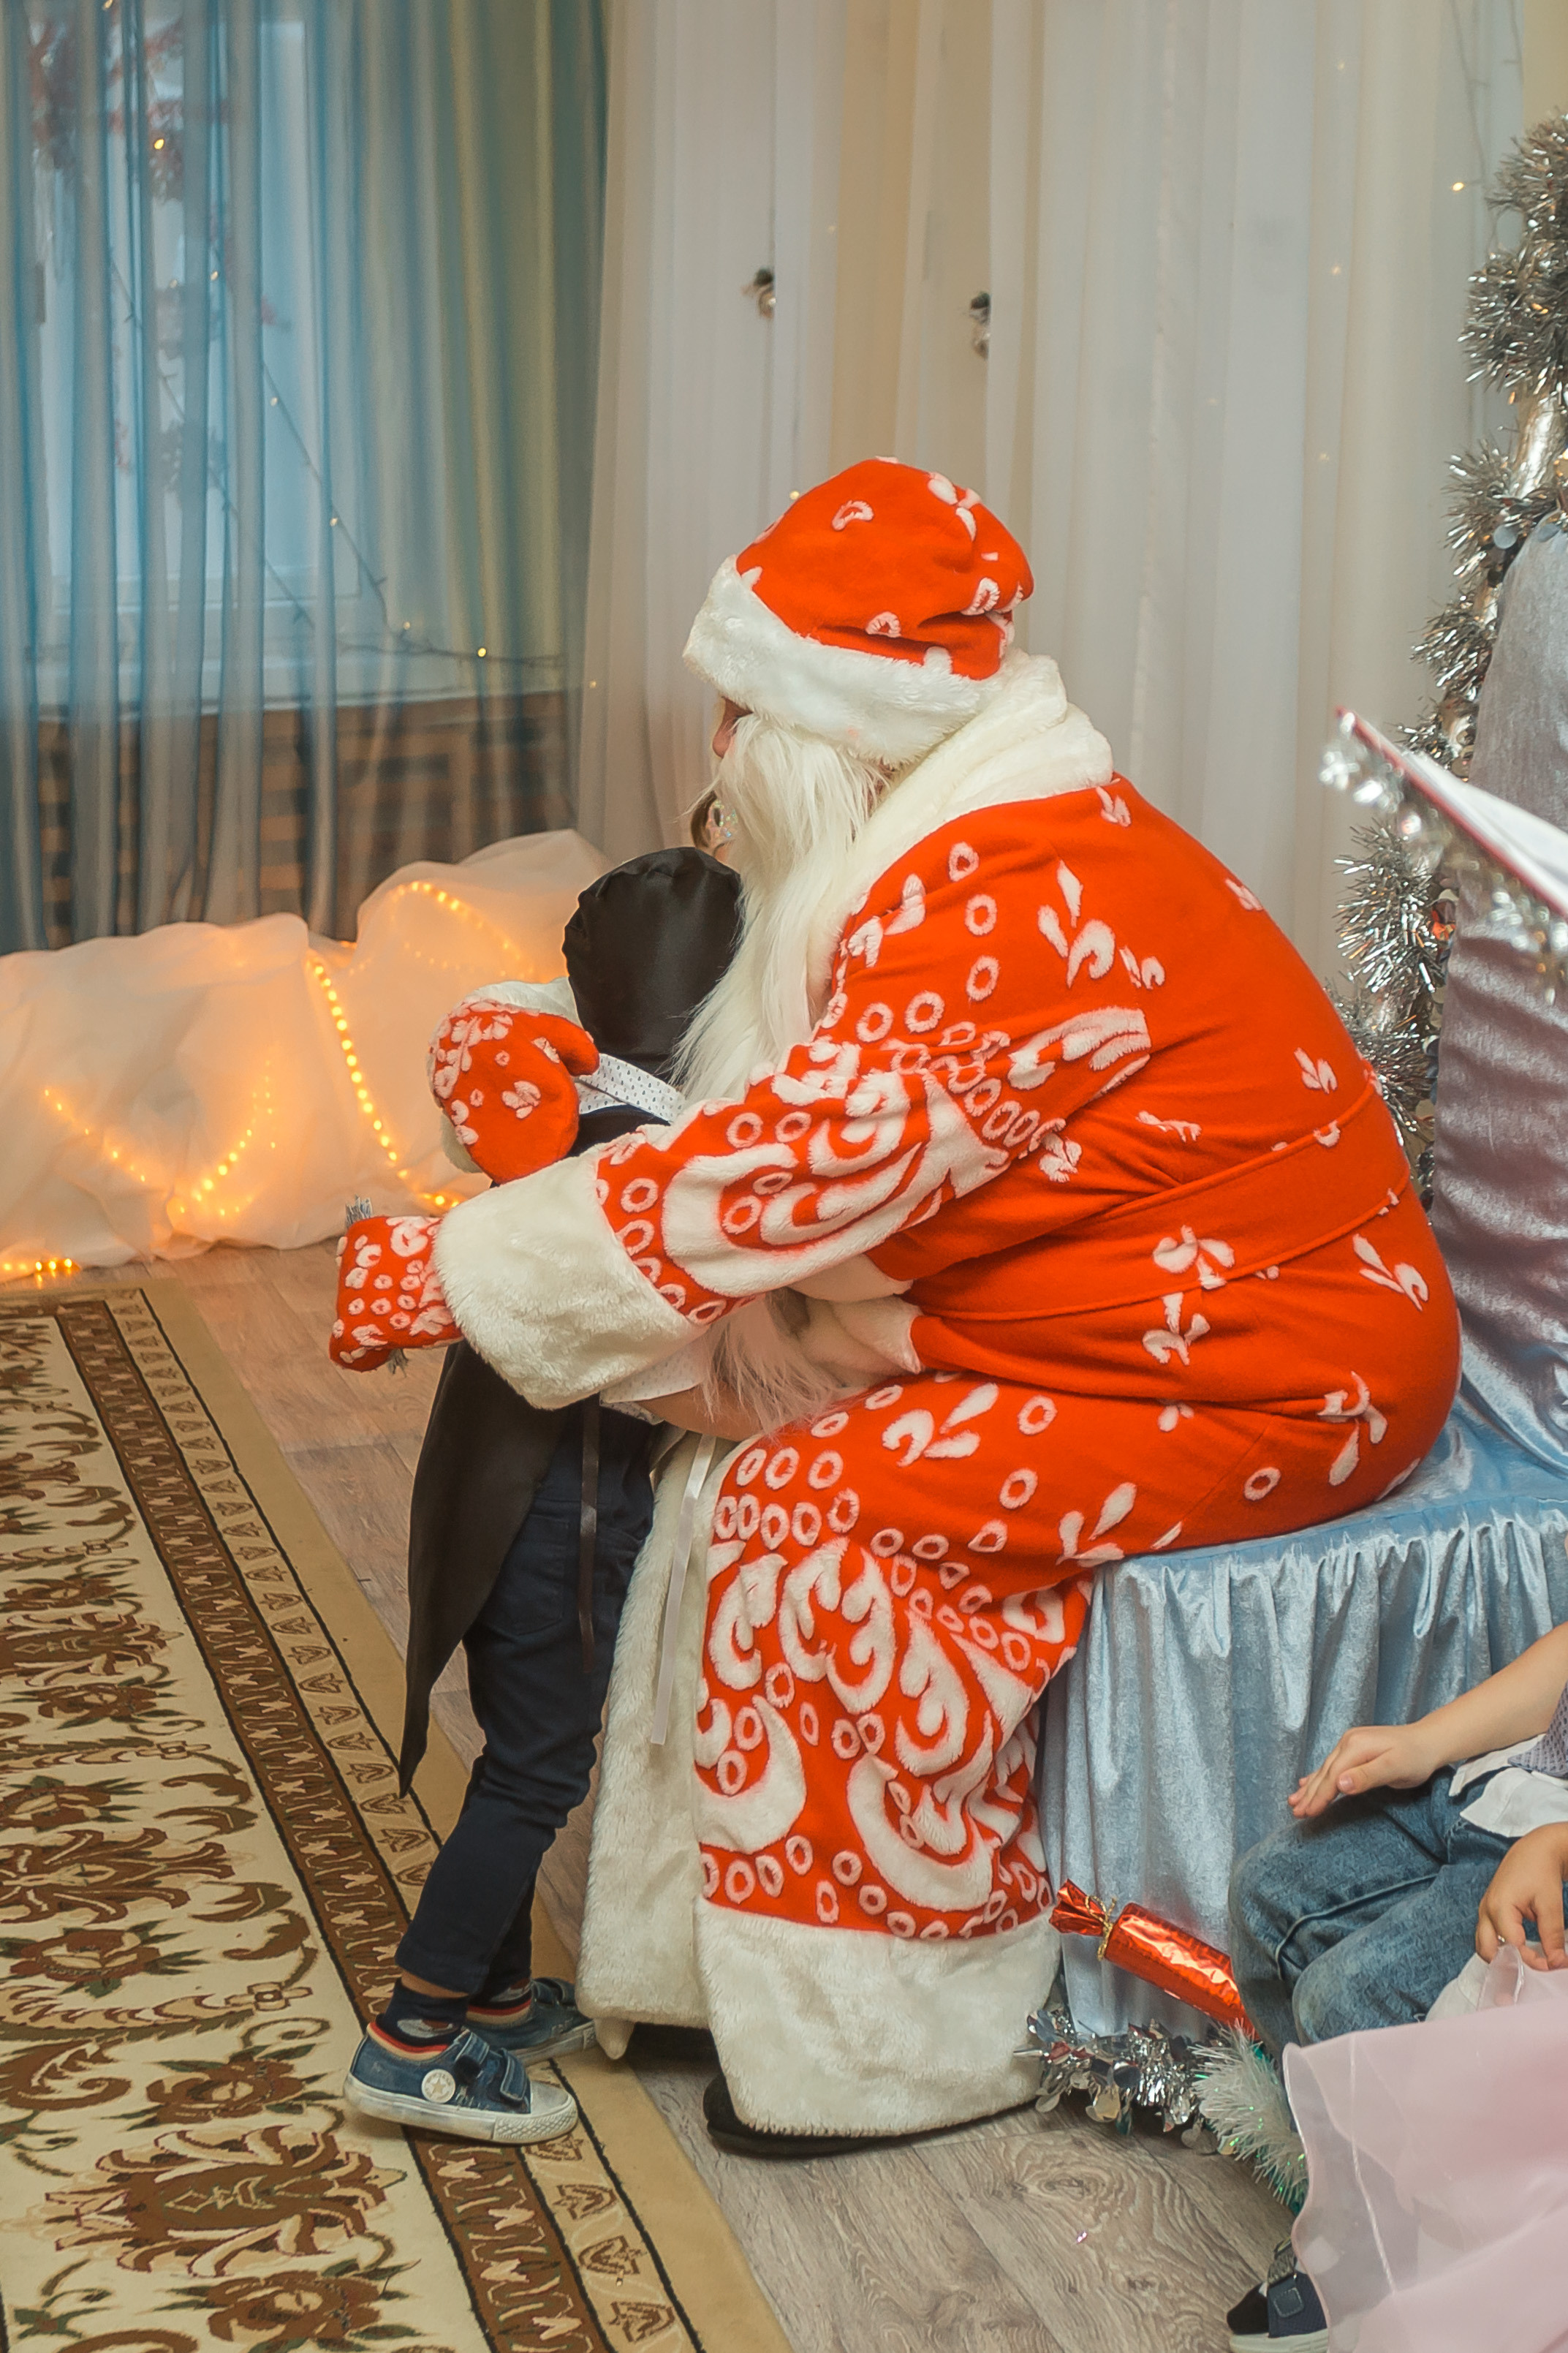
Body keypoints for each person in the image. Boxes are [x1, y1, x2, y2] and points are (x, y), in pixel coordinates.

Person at [419, 456, 1460, 2149]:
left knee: (823, 1507)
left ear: (843, 732)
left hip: (1288, 1370)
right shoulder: (955, 850)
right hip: (1124, 1313)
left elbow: (780, 1183)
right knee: (745, 1473)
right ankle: (737, 1981)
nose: (718, 763)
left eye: (743, 718)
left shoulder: (999, 893)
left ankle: (889, 2044)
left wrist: (455, 1265)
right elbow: (828, 1174)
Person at [341, 847, 740, 2144]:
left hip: (495, 1484)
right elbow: (654, 1366)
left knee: (518, 1736)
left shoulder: (573, 1107)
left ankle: (502, 1988)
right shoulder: (644, 1167)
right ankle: (414, 2028)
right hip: (559, 1511)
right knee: (537, 1765)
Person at [1222, 1620, 1568, 2350]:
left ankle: (1403, 2252)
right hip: (1508, 1785)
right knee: (1264, 1895)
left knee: (1346, 1996)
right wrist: (1428, 1740)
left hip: (1553, 1849)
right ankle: (1362, 2202)